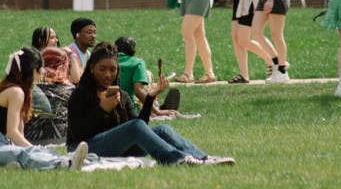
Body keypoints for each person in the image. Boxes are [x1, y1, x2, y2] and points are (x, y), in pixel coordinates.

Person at [66, 42, 233, 166]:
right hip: (83, 149)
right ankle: (178, 160)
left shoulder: (121, 96)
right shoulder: (81, 94)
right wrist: (101, 109)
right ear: (92, 68)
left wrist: (150, 97)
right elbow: (78, 133)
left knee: (162, 129)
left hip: (115, 149)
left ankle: (204, 158)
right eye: (102, 69)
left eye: (113, 69)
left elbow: (140, 127)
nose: (108, 74)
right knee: (135, 127)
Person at [0, 47, 88, 171]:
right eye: (41, 69)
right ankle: (66, 165)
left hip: (2, 146)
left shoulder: (19, 92)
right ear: (34, 70)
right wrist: (33, 149)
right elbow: (12, 133)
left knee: (39, 153)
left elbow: (19, 134)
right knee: (25, 153)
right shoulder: (15, 92)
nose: (43, 73)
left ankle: (11, 166)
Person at [114, 36, 179, 117]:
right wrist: (157, 111)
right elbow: (138, 91)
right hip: (129, 110)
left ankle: (156, 107)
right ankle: (157, 109)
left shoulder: (106, 61)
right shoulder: (137, 63)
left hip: (107, 108)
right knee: (148, 79)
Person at [27, 26, 71, 144]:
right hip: (57, 136)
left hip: (30, 135)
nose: (56, 40)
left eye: (56, 37)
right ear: (41, 41)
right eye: (52, 37)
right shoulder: (31, 67)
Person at [63, 18, 95, 84]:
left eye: (94, 32)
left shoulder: (89, 54)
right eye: (89, 32)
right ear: (77, 34)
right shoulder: (67, 52)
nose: (93, 36)